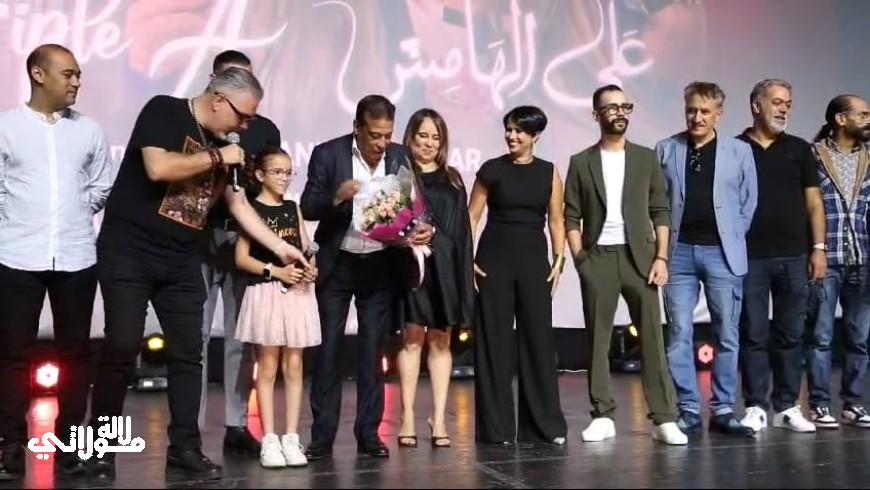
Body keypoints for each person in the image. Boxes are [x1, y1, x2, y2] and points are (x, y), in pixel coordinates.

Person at [87, 68, 308, 481]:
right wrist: (217, 157)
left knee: (189, 352)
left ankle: (185, 450)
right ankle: (99, 450)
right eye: (243, 116)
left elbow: (238, 206)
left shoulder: (228, 144)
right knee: (121, 346)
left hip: (182, 255)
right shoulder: (165, 111)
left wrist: (282, 248)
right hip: (130, 251)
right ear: (220, 99)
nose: (246, 125)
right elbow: (157, 167)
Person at [0, 44, 114, 481]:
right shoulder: (8, 127)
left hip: (76, 254)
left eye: (78, 74)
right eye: (68, 74)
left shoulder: (88, 130)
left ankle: (68, 445)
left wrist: (75, 213)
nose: (76, 82)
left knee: (76, 353)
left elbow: (101, 185)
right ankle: (10, 446)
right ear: (38, 74)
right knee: (12, 354)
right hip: (16, 254)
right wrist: (17, 220)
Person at [300, 95, 433, 460]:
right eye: (374, 135)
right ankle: (322, 437)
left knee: (373, 351)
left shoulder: (399, 156)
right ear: (356, 127)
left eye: (387, 135)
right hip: (338, 263)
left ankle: (369, 433)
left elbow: (416, 205)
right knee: (328, 351)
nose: (381, 143)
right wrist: (337, 197)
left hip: (379, 264)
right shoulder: (329, 154)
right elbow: (308, 206)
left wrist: (423, 227)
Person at [564, 85, 686, 445]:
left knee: (652, 340)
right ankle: (602, 415)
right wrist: (581, 260)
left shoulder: (646, 158)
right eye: (612, 107)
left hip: (641, 259)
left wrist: (661, 257)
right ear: (596, 114)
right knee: (597, 341)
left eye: (625, 106)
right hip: (598, 258)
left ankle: (664, 418)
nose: (620, 112)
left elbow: (660, 211)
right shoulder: (581, 161)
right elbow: (571, 216)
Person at [656, 82, 757, 437]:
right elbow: (657, 202)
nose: (697, 117)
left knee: (727, 333)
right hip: (679, 253)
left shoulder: (739, 151)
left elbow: (748, 202)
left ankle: (723, 409)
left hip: (722, 254)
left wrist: (733, 235)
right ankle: (688, 408)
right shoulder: (666, 148)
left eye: (704, 111)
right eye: (691, 110)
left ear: (719, 114)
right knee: (679, 332)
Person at [197, 50, 282, 458]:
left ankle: (236, 423)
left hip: (244, 240)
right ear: (215, 84)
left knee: (240, 337)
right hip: (199, 237)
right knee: (193, 338)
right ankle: (189, 428)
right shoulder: (196, 123)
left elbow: (270, 188)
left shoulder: (263, 129)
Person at [468, 105, 567, 445]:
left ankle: (543, 427)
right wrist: (467, 259)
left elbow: (556, 220)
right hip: (493, 260)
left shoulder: (548, 172)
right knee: (494, 342)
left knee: (538, 341)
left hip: (533, 261)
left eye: (519, 131)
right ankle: (496, 429)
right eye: (509, 129)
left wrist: (559, 259)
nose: (511, 136)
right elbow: (472, 216)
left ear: (535, 135)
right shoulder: (492, 170)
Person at [736, 79, 825, 434]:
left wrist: (818, 249)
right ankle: (755, 406)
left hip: (794, 256)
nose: (784, 108)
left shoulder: (799, 149)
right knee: (754, 333)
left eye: (787, 102)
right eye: (776, 102)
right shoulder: (735, 148)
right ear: (756, 106)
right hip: (750, 257)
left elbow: (814, 203)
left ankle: (787, 406)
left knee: (790, 334)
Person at [234, 148, 321, 467]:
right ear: (260, 174)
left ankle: (291, 436)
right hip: (267, 291)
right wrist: (275, 271)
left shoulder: (292, 207)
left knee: (295, 365)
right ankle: (269, 438)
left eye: (288, 172)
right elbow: (241, 258)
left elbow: (305, 247)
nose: (284, 178)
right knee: (268, 365)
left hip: (297, 293)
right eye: (277, 172)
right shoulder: (250, 208)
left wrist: (311, 269)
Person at [395, 109, 474, 449]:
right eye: (423, 135)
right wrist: (406, 236)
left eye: (435, 137)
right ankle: (407, 416)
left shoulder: (453, 180)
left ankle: (439, 418)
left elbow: (461, 233)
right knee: (411, 339)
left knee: (441, 342)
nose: (428, 143)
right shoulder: (399, 176)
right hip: (410, 270)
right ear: (411, 138)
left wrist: (436, 235)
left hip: (443, 269)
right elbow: (385, 223)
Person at [806, 94, 870, 430]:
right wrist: (814, 249)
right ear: (840, 119)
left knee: (859, 338)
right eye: (864, 114)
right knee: (821, 336)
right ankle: (819, 404)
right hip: (827, 257)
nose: (869, 120)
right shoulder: (814, 154)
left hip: (862, 257)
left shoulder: (869, 157)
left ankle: (853, 403)